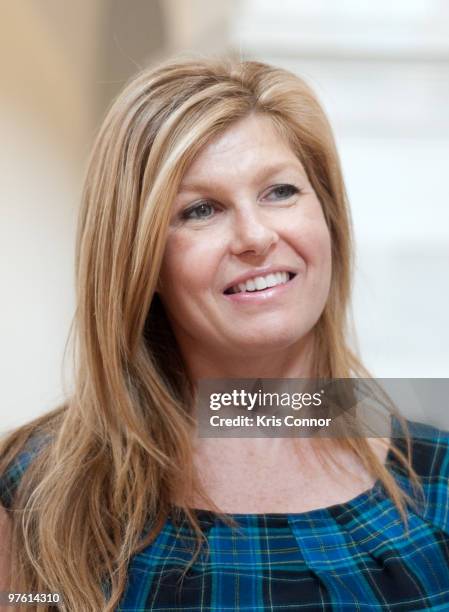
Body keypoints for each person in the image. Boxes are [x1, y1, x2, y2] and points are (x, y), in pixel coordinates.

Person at [1, 56, 449, 612]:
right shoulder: (34, 492)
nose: (255, 236)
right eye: (200, 210)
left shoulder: (440, 477)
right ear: (139, 261)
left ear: (328, 217)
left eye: (280, 192)